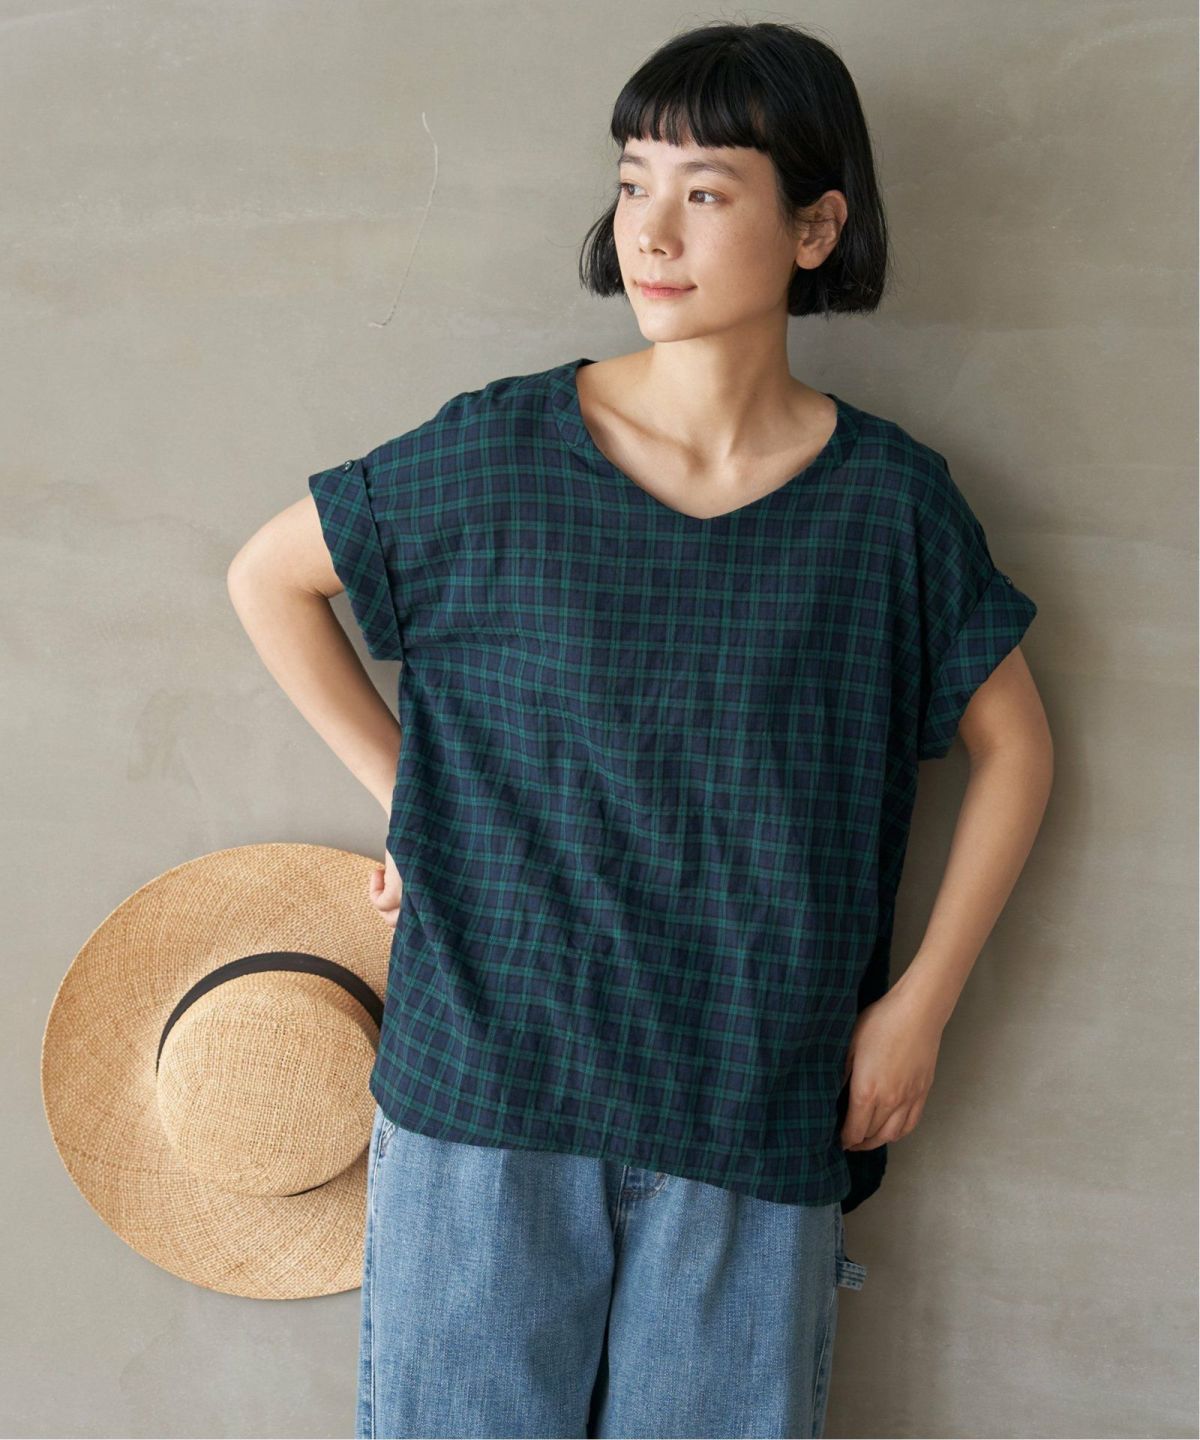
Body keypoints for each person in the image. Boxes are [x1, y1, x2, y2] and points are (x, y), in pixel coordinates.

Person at [228, 20, 1053, 1439]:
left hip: (755, 1098)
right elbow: (268, 579)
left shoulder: (891, 509)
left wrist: (919, 1007)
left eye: (707, 190)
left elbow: (1019, 750)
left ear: (816, 228)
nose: (652, 231)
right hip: (487, 1090)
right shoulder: (495, 455)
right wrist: (416, 803)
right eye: (632, 182)